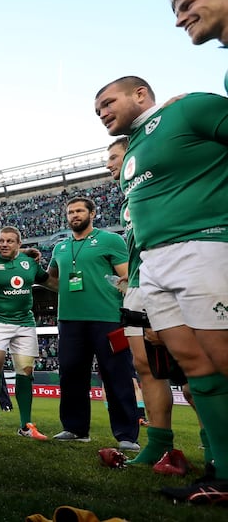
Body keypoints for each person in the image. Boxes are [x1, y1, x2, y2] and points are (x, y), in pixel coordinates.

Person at [94, 75, 228, 503]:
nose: (102, 113)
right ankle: (222, 471)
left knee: (222, 358)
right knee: (192, 363)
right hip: (152, 264)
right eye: (97, 111)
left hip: (203, 246)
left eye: (107, 103)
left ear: (140, 94)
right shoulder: (133, 148)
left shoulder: (189, 109)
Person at [46, 196, 138, 450]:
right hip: (69, 320)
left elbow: (127, 277)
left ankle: (127, 435)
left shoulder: (110, 240)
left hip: (107, 319)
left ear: (92, 213)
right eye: (70, 212)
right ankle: (75, 429)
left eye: (79, 211)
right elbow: (53, 281)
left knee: (117, 375)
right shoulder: (60, 248)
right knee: (71, 375)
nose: (74, 215)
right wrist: (34, 272)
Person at [0, 226, 54, 440]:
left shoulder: (29, 263)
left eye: (10, 241)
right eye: (1, 240)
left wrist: (77, 290)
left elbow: (49, 282)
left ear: (19, 244)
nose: (4, 244)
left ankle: (25, 425)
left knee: (26, 371)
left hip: (24, 323)